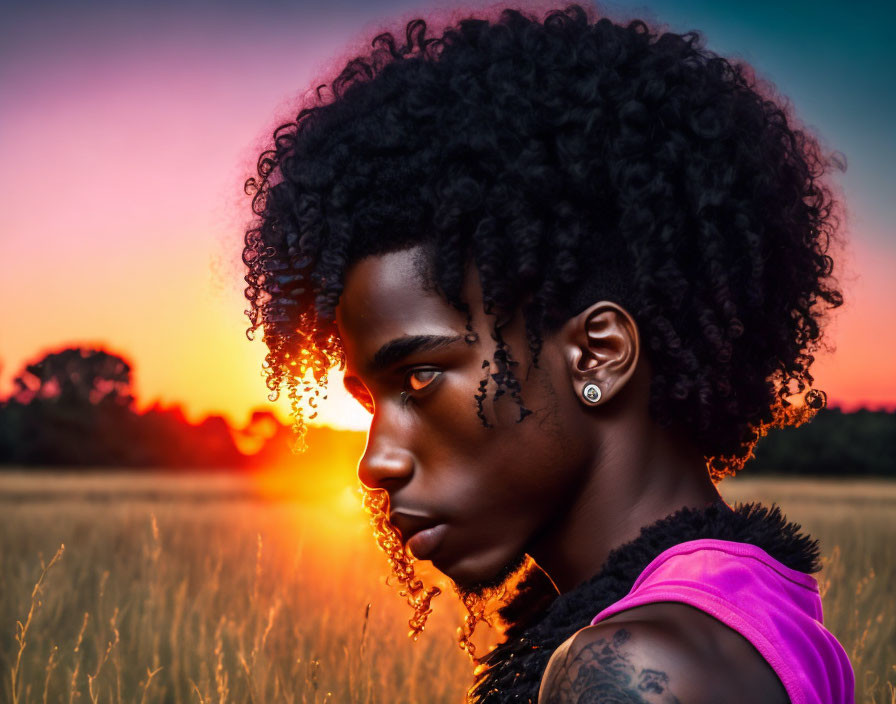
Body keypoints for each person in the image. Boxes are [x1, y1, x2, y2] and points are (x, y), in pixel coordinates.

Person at [241, 4, 854, 702]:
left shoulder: (640, 672)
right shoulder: (742, 610)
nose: (376, 461)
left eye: (419, 376)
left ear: (599, 355)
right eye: (369, 400)